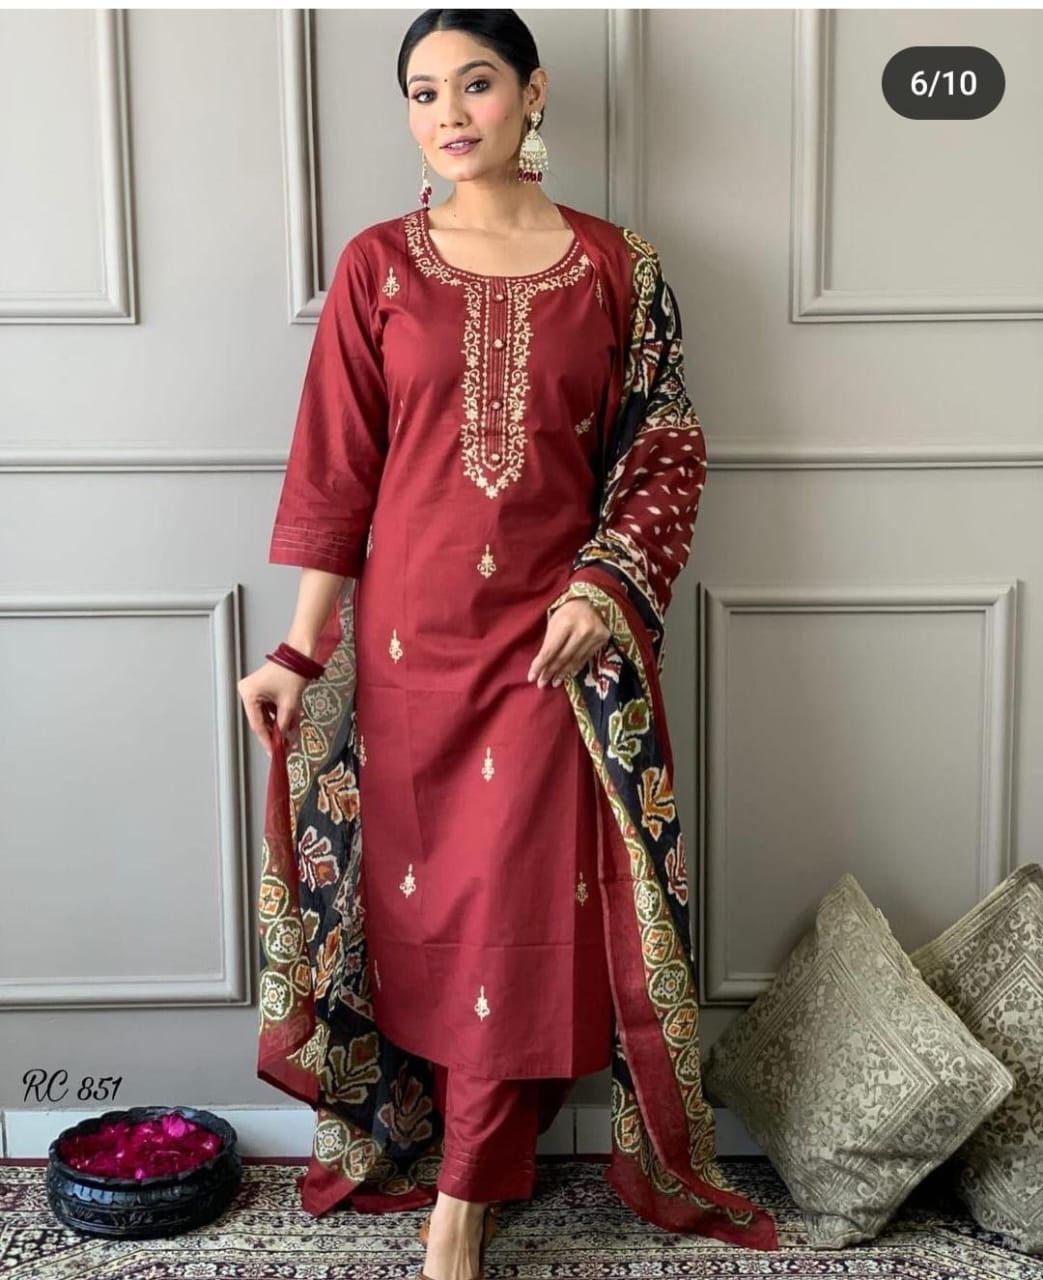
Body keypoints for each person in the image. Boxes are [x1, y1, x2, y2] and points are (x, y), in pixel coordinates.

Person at [238, 9, 779, 1277]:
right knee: (419, 911)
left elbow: (663, 446)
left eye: (474, 84)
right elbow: (336, 474)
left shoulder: (616, 266)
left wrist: (603, 586)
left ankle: (463, 1204)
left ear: (532, 94)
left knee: (507, 913)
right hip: (407, 651)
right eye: (422, 92)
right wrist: (299, 652)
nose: (448, 114)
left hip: (552, 650)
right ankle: (466, 1154)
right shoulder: (377, 266)